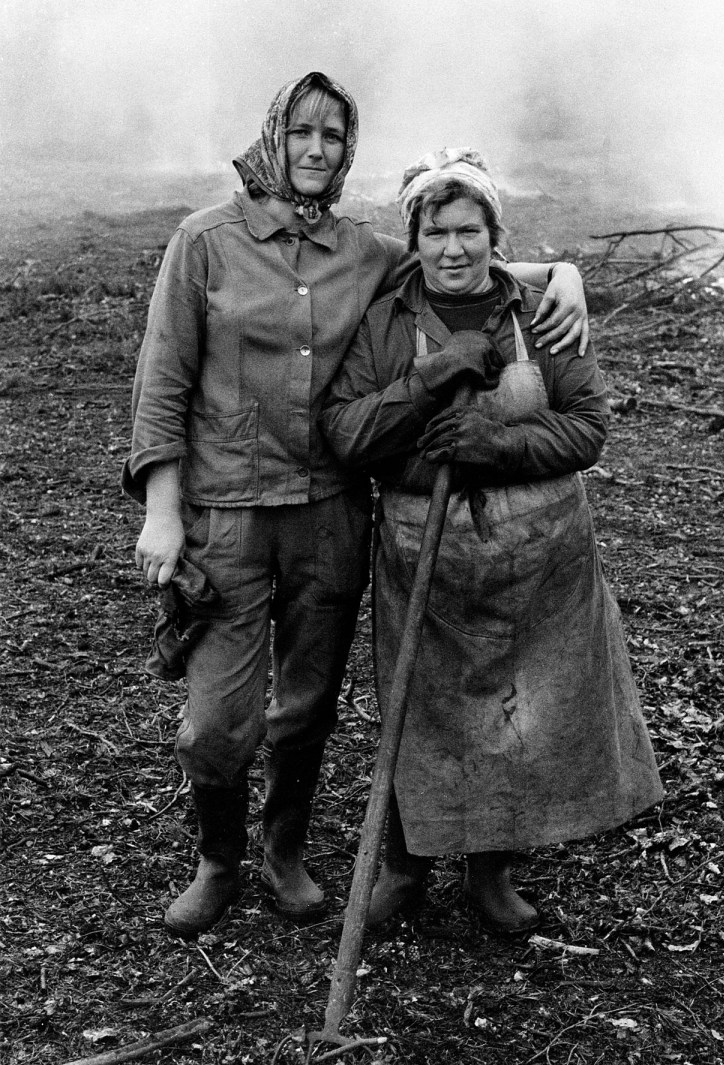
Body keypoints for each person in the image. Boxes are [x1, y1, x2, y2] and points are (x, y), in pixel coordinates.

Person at [122, 75, 591, 939]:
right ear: (274, 137)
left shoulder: (362, 252)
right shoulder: (204, 242)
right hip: (227, 511)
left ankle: (283, 852)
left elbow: (459, 263)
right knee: (216, 721)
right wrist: (162, 504)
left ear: (347, 151)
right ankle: (216, 859)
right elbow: (162, 380)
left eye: (334, 137)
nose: (315, 150)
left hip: (331, 513)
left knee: (304, 705)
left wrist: (562, 273)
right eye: (301, 132)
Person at [321, 148, 663, 935]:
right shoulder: (386, 320)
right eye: (435, 231)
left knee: (519, 714)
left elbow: (588, 427)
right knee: (425, 710)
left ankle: (491, 873)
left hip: (539, 564)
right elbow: (347, 431)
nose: (452, 248)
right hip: (426, 558)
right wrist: (431, 384)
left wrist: (498, 444)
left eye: (468, 230)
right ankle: (406, 871)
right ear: (415, 237)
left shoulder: (541, 313)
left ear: (493, 235)